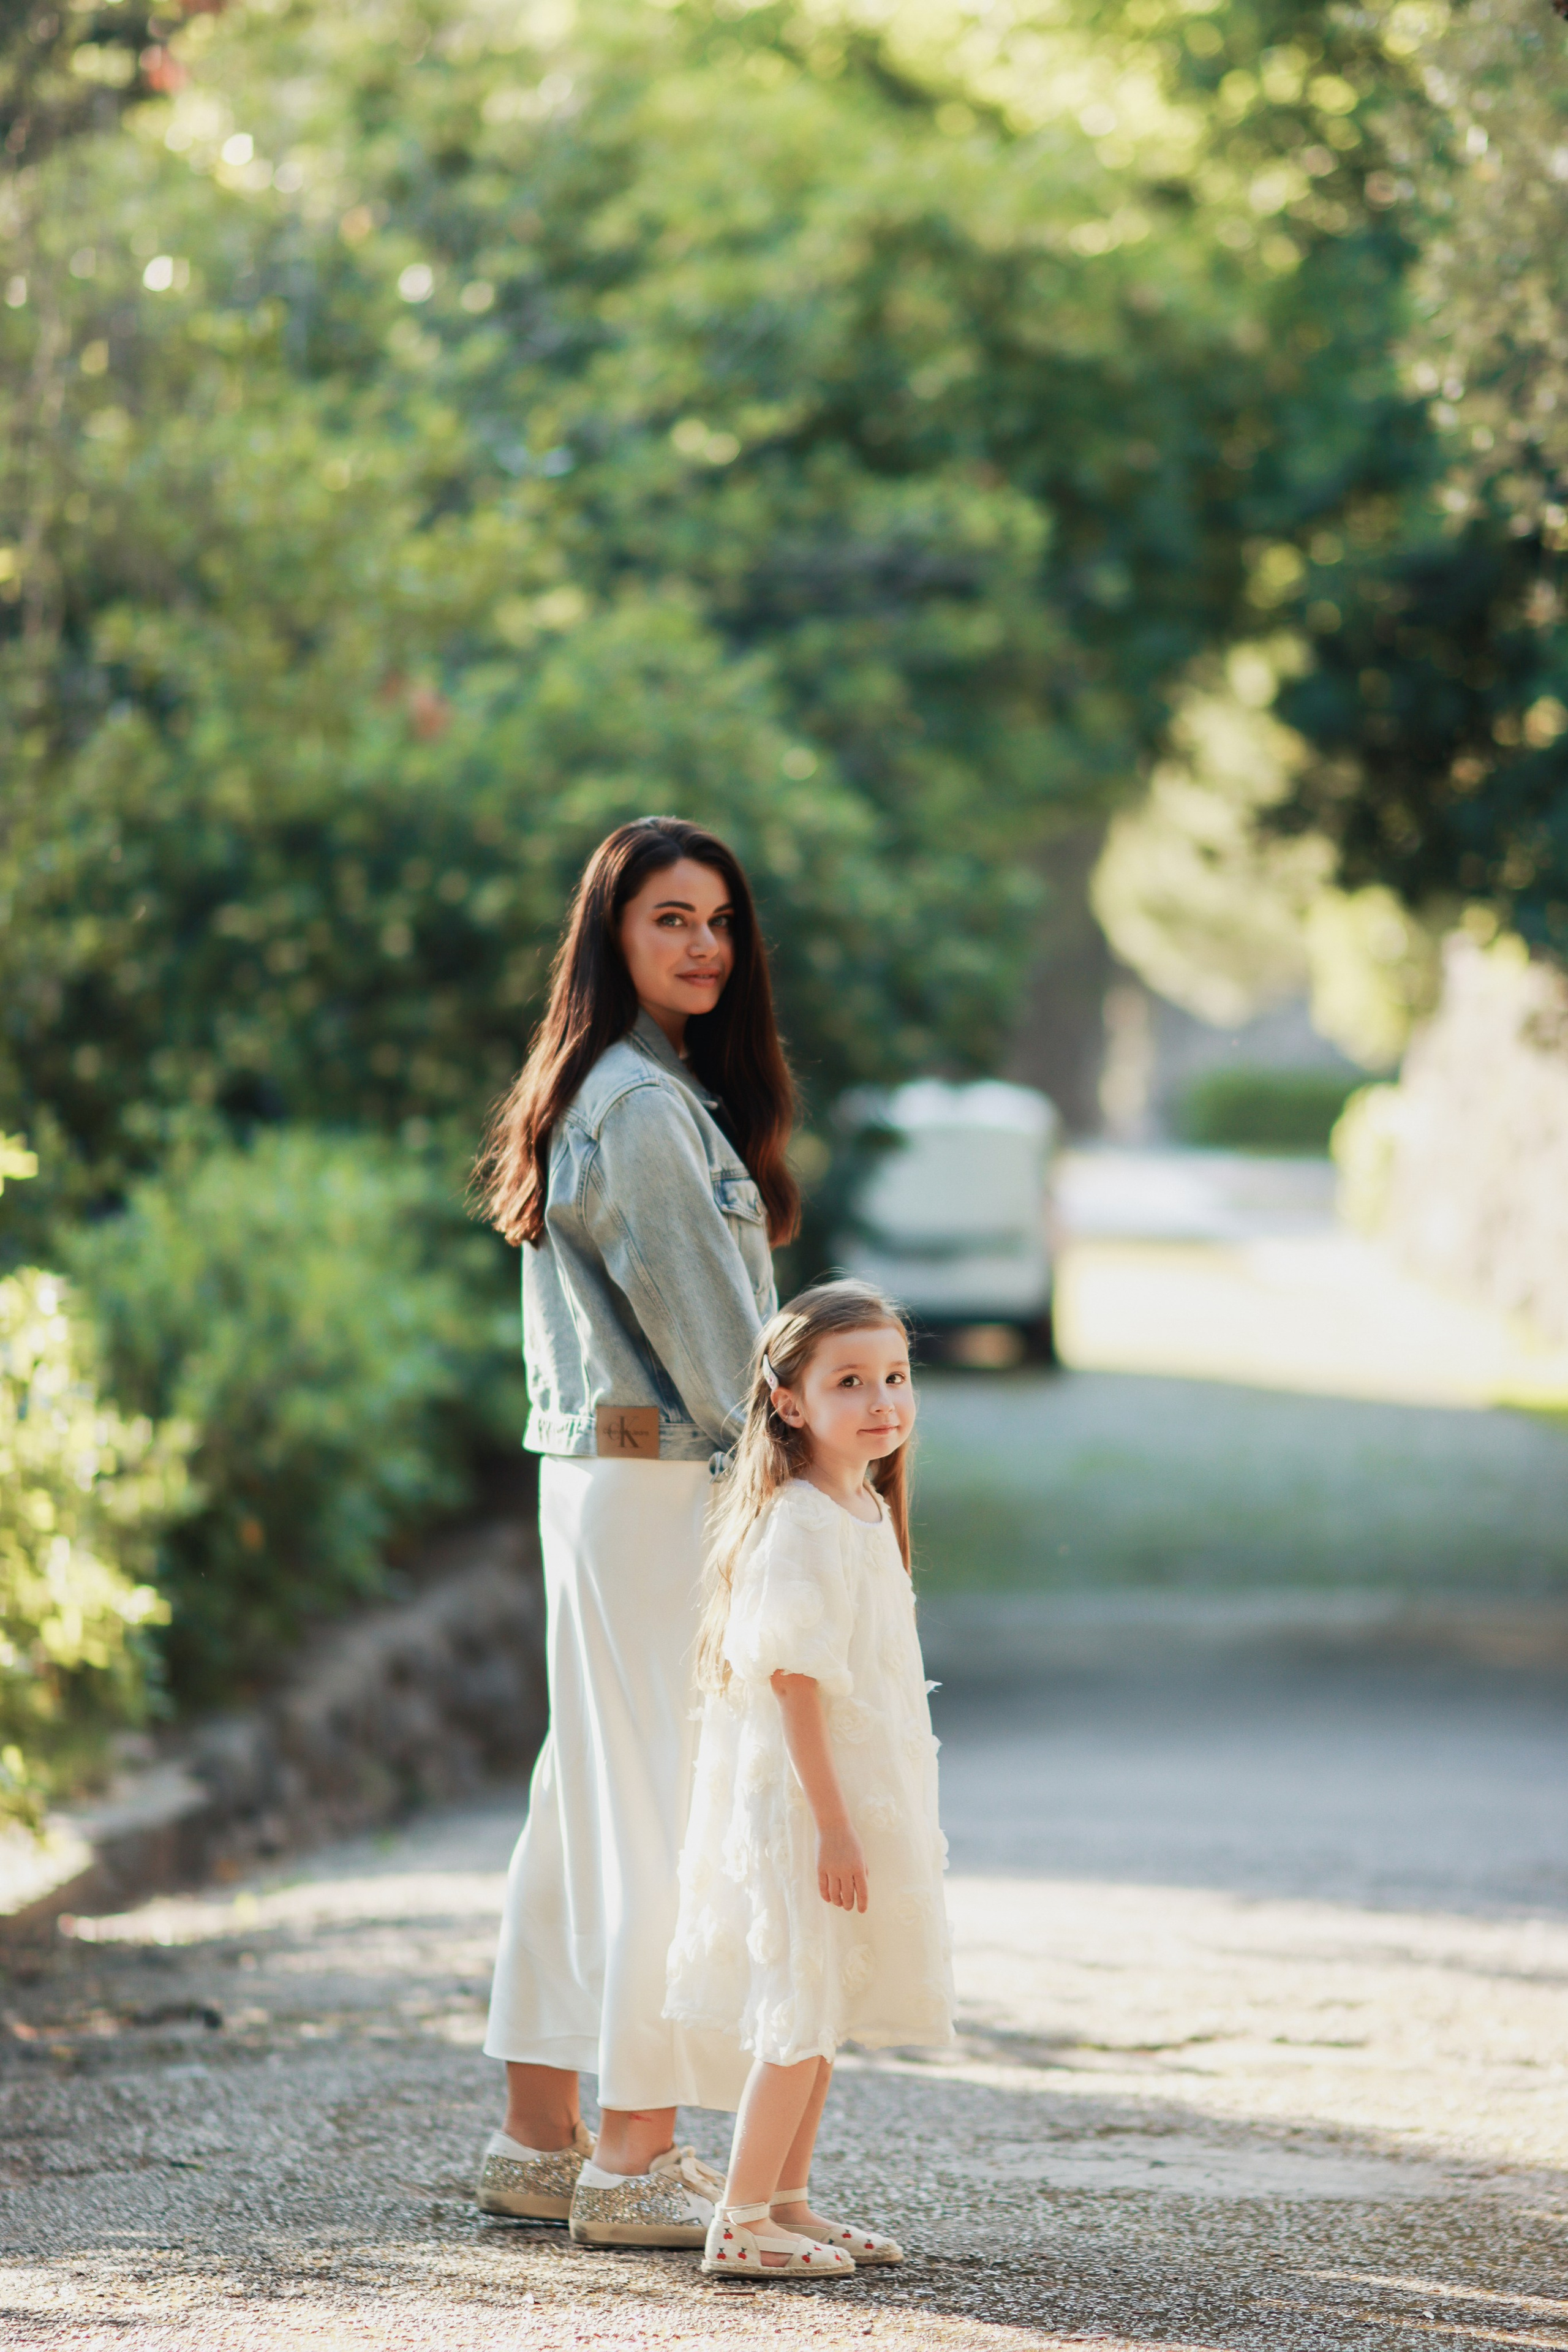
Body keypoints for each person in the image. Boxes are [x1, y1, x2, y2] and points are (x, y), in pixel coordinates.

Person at [471, 815, 799, 2248]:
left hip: (602, 1481)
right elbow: (723, 1349)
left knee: (582, 1803)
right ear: (611, 935)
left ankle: (536, 2139)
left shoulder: (605, 1086)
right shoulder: (645, 1107)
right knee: (656, 1806)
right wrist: (804, 1485)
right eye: (671, 918)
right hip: (661, 1484)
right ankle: (633, 2159)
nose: (704, 945)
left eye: (719, 921)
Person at [664, 1279, 954, 2280]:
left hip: (852, 1793)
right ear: (790, 1403)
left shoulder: (860, 1506)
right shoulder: (798, 1522)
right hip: (804, 1801)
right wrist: (833, 1824)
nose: (883, 1401)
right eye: (850, 1382)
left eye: (896, 1377)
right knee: (798, 2003)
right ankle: (742, 2217)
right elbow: (792, 1685)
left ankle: (787, 2199)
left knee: (826, 1999)